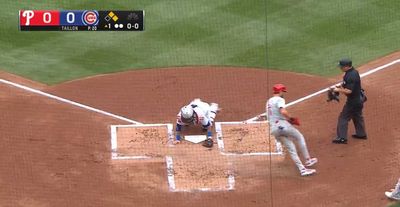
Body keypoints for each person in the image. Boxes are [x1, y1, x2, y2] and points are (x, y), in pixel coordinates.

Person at [266, 84, 318, 176]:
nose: (283, 94)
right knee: (299, 137)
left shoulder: (268, 102)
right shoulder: (280, 99)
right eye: (283, 91)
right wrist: (290, 119)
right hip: (282, 125)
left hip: (274, 129)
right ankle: (308, 160)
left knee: (291, 149)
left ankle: (302, 170)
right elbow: (283, 111)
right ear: (280, 91)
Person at [332, 59, 367, 144]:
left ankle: (342, 138)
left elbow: (349, 91)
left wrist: (338, 89)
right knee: (357, 116)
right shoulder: (353, 72)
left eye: (341, 67)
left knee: (343, 118)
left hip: (353, 102)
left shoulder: (351, 76)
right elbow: (347, 83)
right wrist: (340, 85)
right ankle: (361, 134)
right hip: (358, 100)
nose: (340, 68)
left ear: (346, 66)